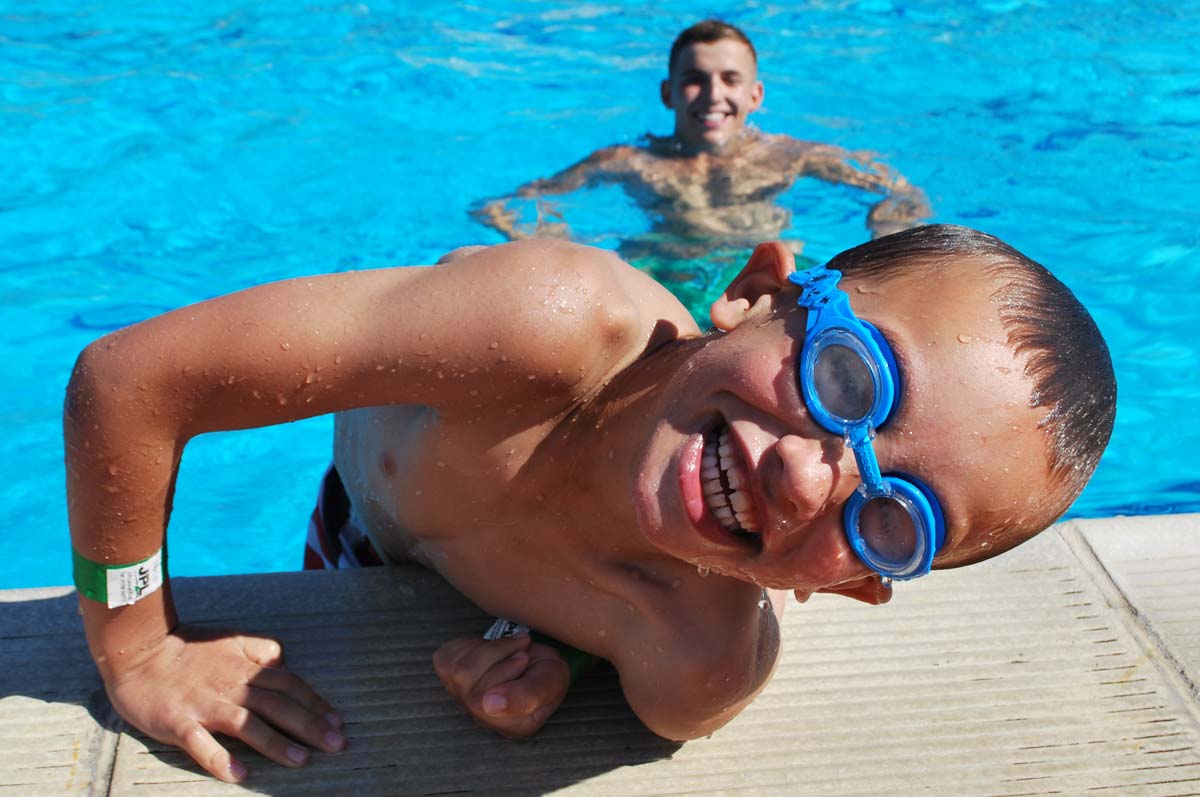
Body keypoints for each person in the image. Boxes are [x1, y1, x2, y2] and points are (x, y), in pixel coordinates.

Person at [65, 224, 1115, 783]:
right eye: (848, 376)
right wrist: (140, 647)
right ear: (758, 293)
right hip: (380, 481)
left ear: (848, 583)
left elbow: (677, 684)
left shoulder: (690, 661)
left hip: (405, 543)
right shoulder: (537, 329)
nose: (809, 475)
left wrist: (552, 650)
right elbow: (131, 382)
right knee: (511, 277)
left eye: (892, 517)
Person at [473, 20, 931, 265]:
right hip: (665, 275)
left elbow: (903, 192)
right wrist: (550, 237)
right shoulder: (629, 162)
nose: (713, 95)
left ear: (755, 95)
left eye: (730, 80)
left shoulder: (792, 156)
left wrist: (885, 229)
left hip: (768, 280)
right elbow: (507, 203)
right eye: (695, 80)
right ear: (668, 93)